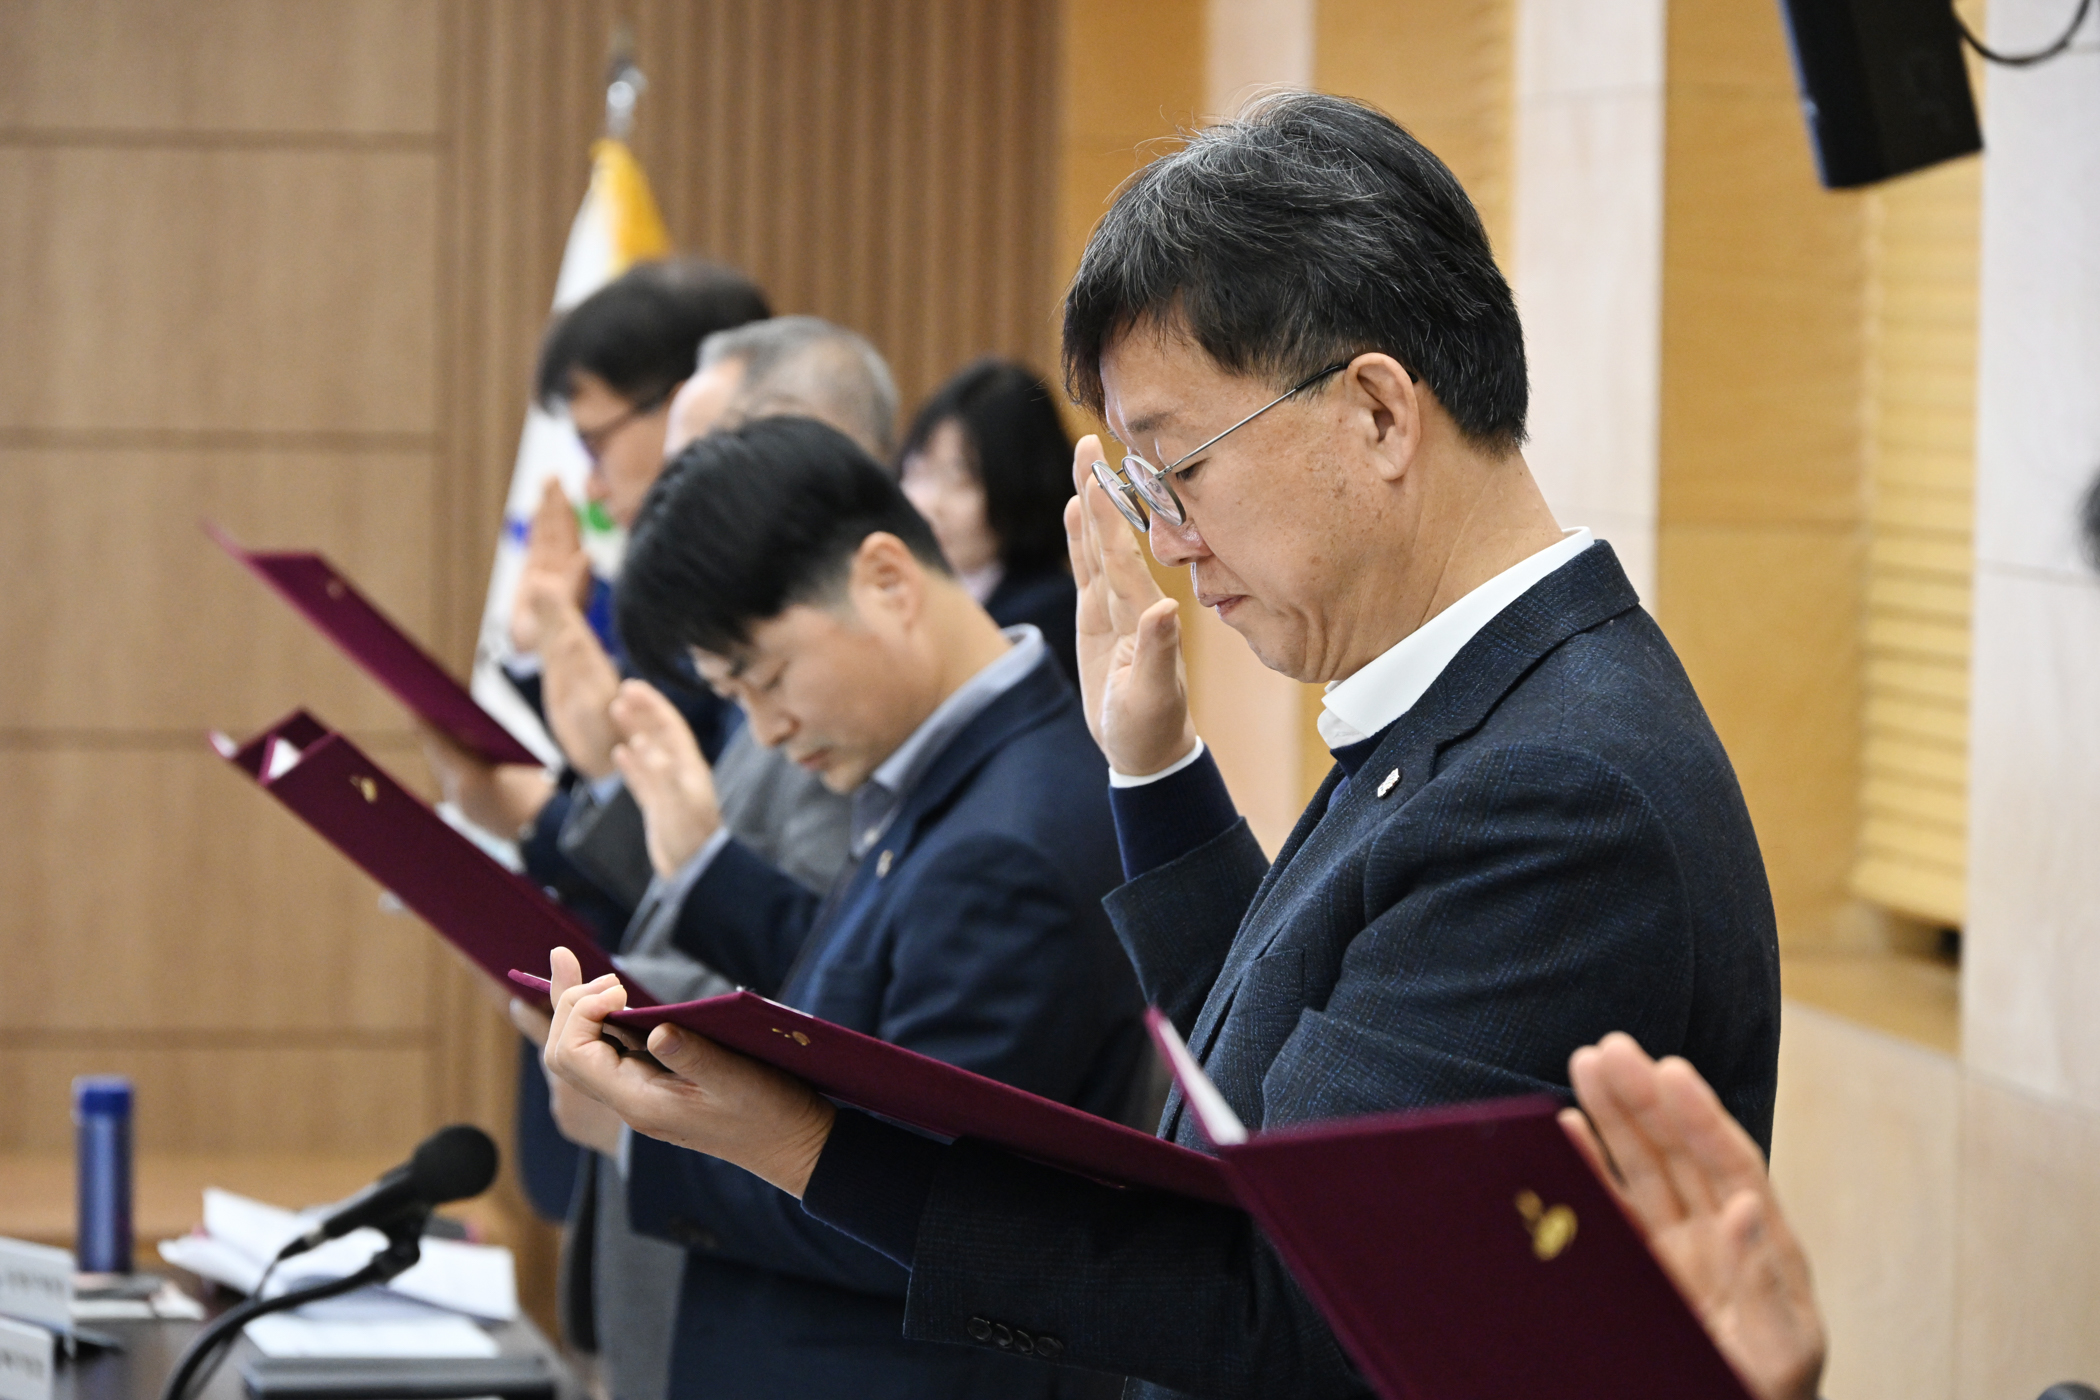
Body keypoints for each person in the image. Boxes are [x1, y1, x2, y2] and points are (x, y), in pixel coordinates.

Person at [541, 90, 1781, 1399]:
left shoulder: (1556, 791)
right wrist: (1153, 765)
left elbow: (1295, 1308)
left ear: (1376, 413)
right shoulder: (1473, 708)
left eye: (1179, 470)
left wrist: (800, 1145)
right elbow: (1267, 1098)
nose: (1170, 543)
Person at [564, 415, 1143, 1399]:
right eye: (734, 693)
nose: (768, 724)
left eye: (770, 676)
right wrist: (702, 873)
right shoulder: (963, 775)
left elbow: (914, 1214)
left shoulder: (1004, 845)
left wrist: (645, 1128)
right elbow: (876, 988)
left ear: (886, 578)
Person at [899, 358, 1082, 682]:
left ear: (1018, 490)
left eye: (961, 480)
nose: (930, 504)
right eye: (920, 471)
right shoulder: (895, 591)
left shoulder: (1049, 618)